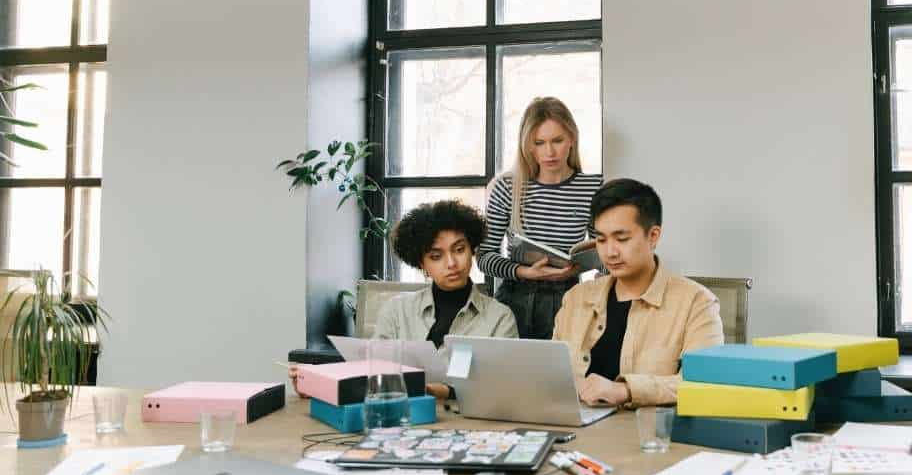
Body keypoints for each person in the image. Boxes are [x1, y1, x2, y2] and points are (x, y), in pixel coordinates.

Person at [291, 200, 517, 399]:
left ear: (472, 250)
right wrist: (313, 385)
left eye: (459, 249)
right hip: (400, 419)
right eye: (436, 256)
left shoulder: (500, 317)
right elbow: (371, 373)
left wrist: (441, 391)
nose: (451, 263)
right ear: (422, 265)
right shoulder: (397, 310)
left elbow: (504, 388)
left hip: (469, 426)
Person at [552, 178, 724, 407]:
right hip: (572, 431)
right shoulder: (576, 298)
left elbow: (705, 383)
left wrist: (626, 390)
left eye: (622, 239)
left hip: (647, 436)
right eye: (601, 240)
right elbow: (551, 372)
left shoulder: (697, 302)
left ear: (653, 236)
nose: (610, 252)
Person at [477, 97, 603, 339]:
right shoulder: (507, 186)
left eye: (557, 140)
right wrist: (524, 272)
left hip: (568, 299)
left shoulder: (593, 187)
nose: (550, 152)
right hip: (514, 300)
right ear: (528, 145)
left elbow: (605, 253)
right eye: (539, 142)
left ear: (572, 139)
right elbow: (484, 257)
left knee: (562, 375)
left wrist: (600, 276)